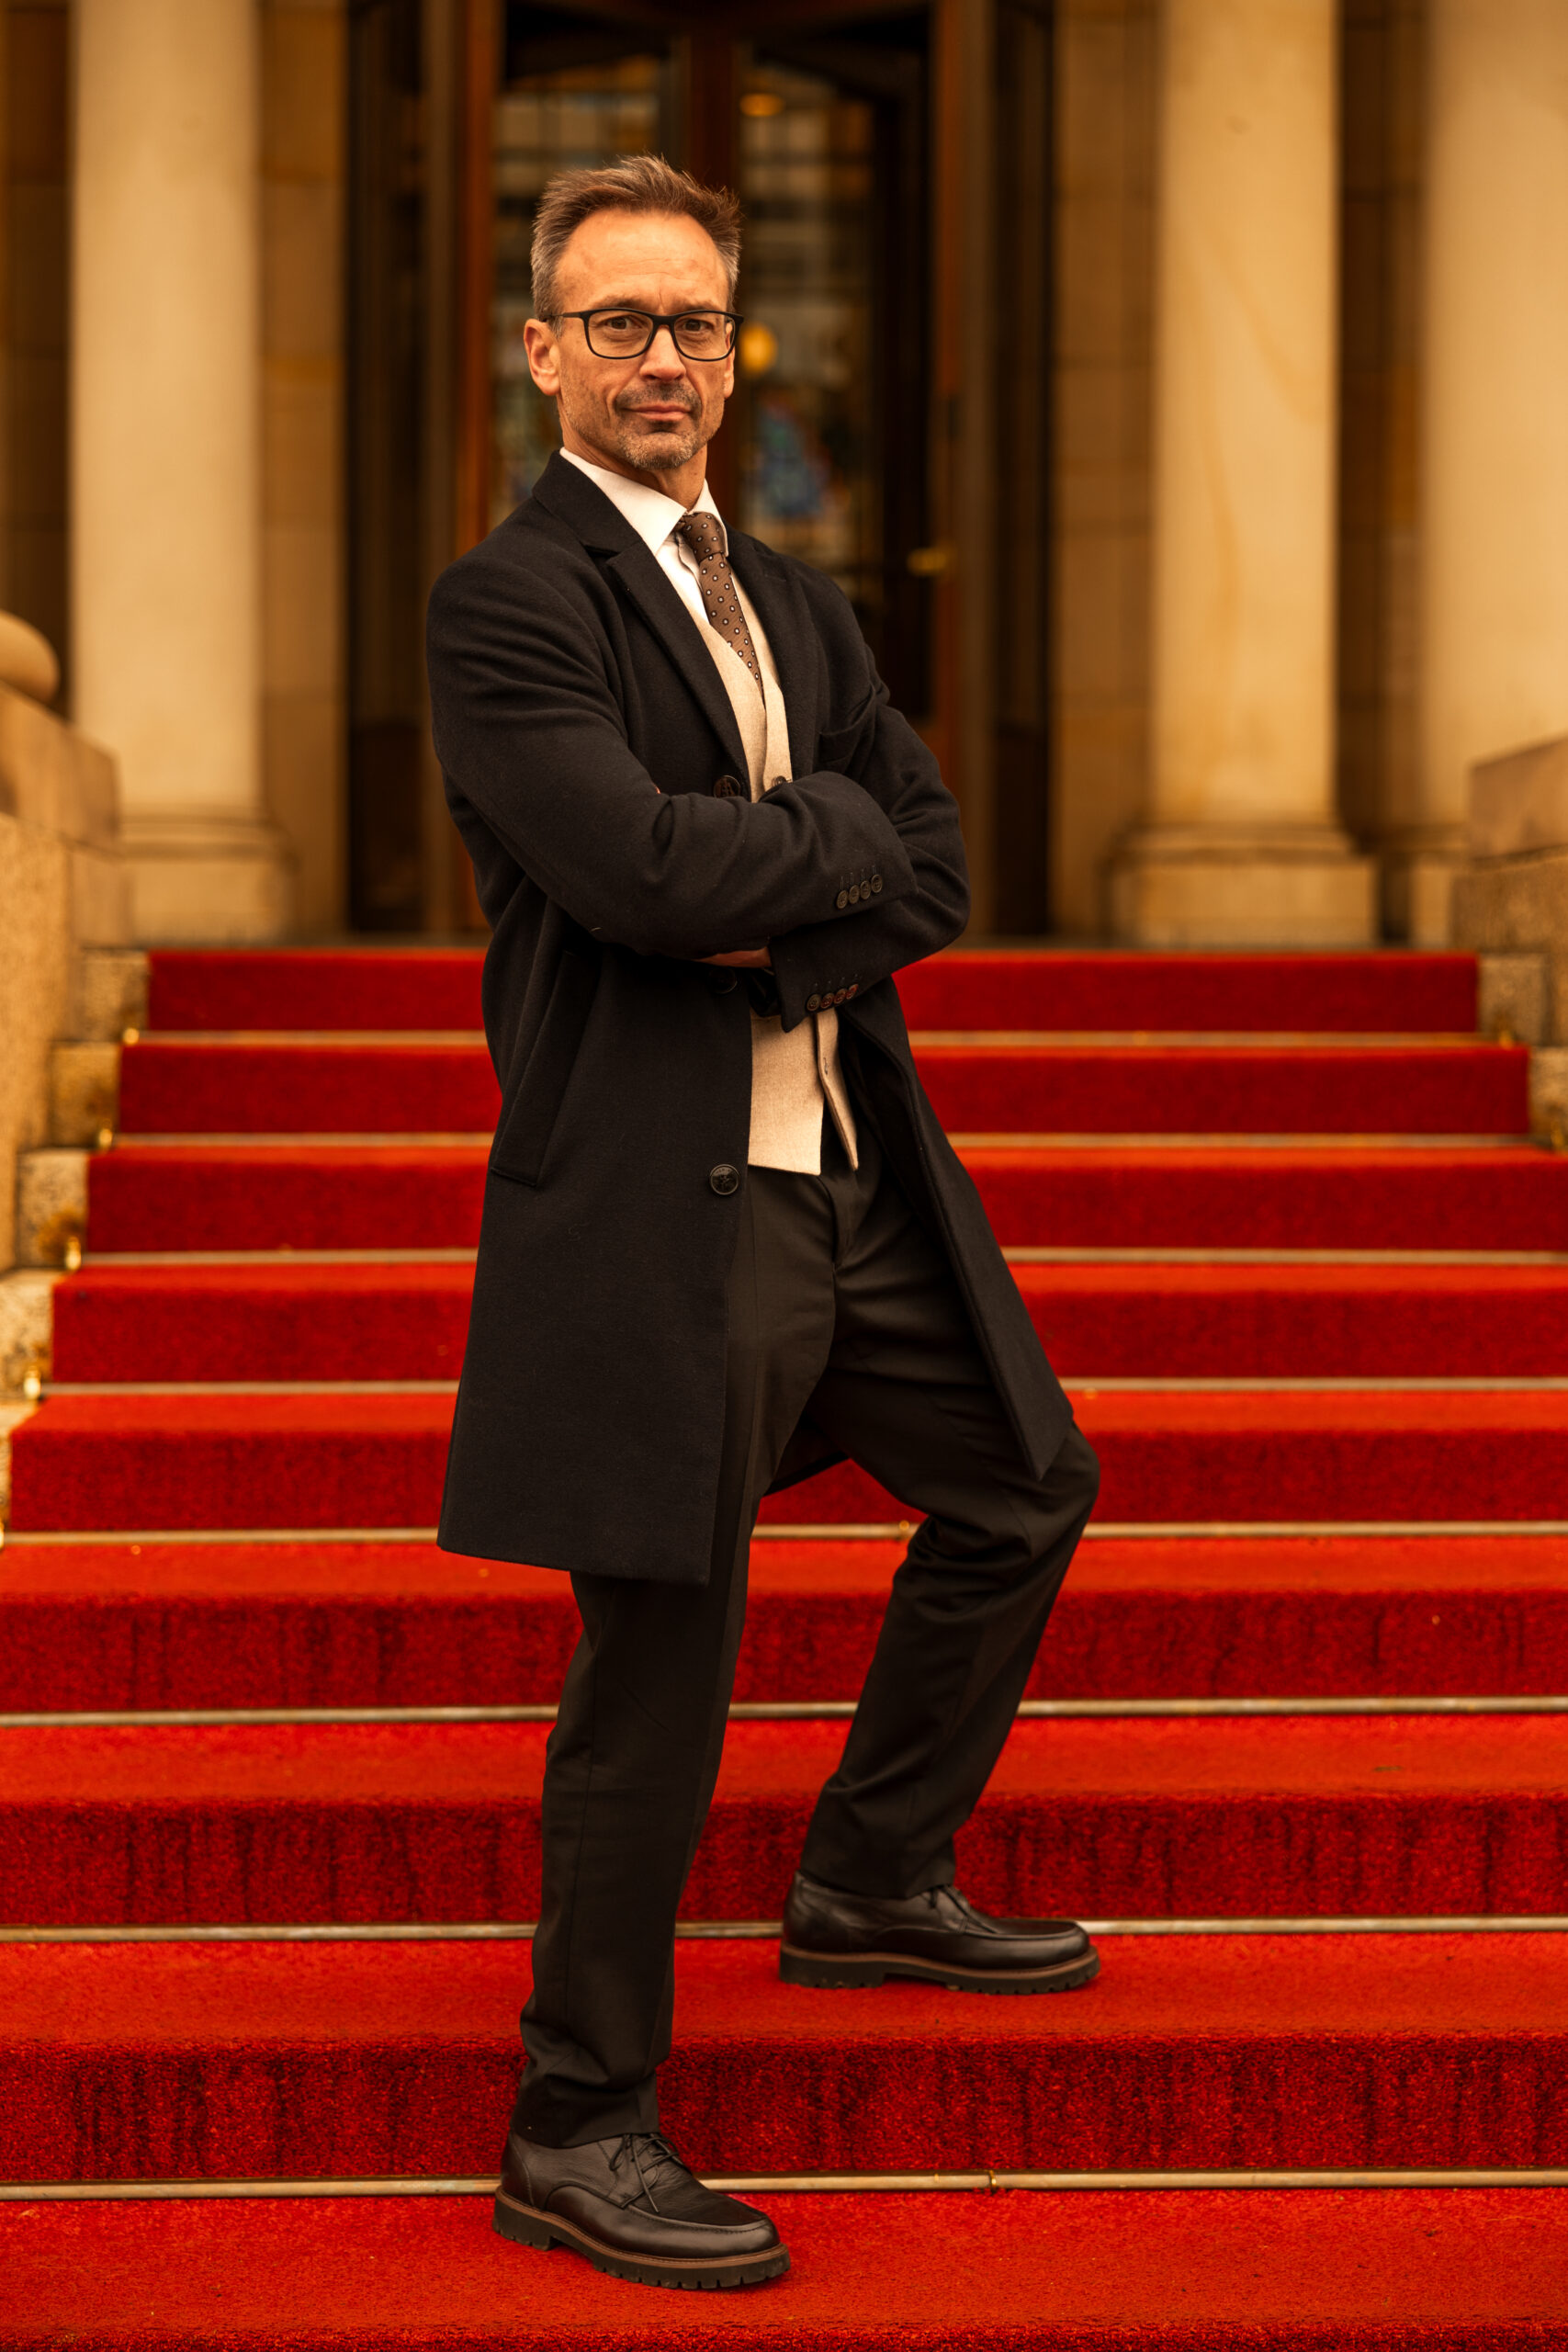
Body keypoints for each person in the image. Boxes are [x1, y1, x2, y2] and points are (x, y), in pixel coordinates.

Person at [426, 154, 1100, 2295]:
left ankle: (870, 1872)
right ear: (544, 354)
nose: (660, 360)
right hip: (650, 1204)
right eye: (616, 322)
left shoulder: (798, 604)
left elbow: (930, 865)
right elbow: (631, 878)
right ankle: (575, 2116)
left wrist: (773, 873)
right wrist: (806, 857)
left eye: (694, 322)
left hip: (843, 1165)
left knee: (1021, 1485)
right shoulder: (510, 602)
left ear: (739, 350)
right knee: (666, 1659)